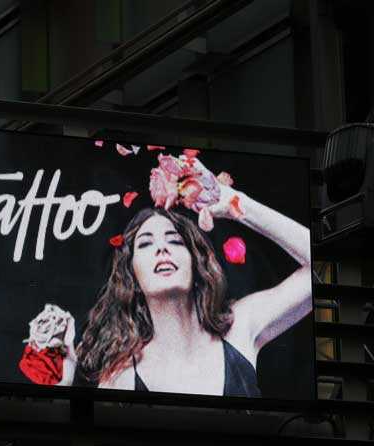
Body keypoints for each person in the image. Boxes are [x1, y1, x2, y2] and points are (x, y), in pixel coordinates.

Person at [72, 163, 311, 396]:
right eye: (145, 243)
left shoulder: (239, 329)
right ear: (131, 276)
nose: (162, 249)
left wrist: (237, 205)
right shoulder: (121, 379)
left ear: (196, 264)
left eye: (175, 240)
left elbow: (316, 268)